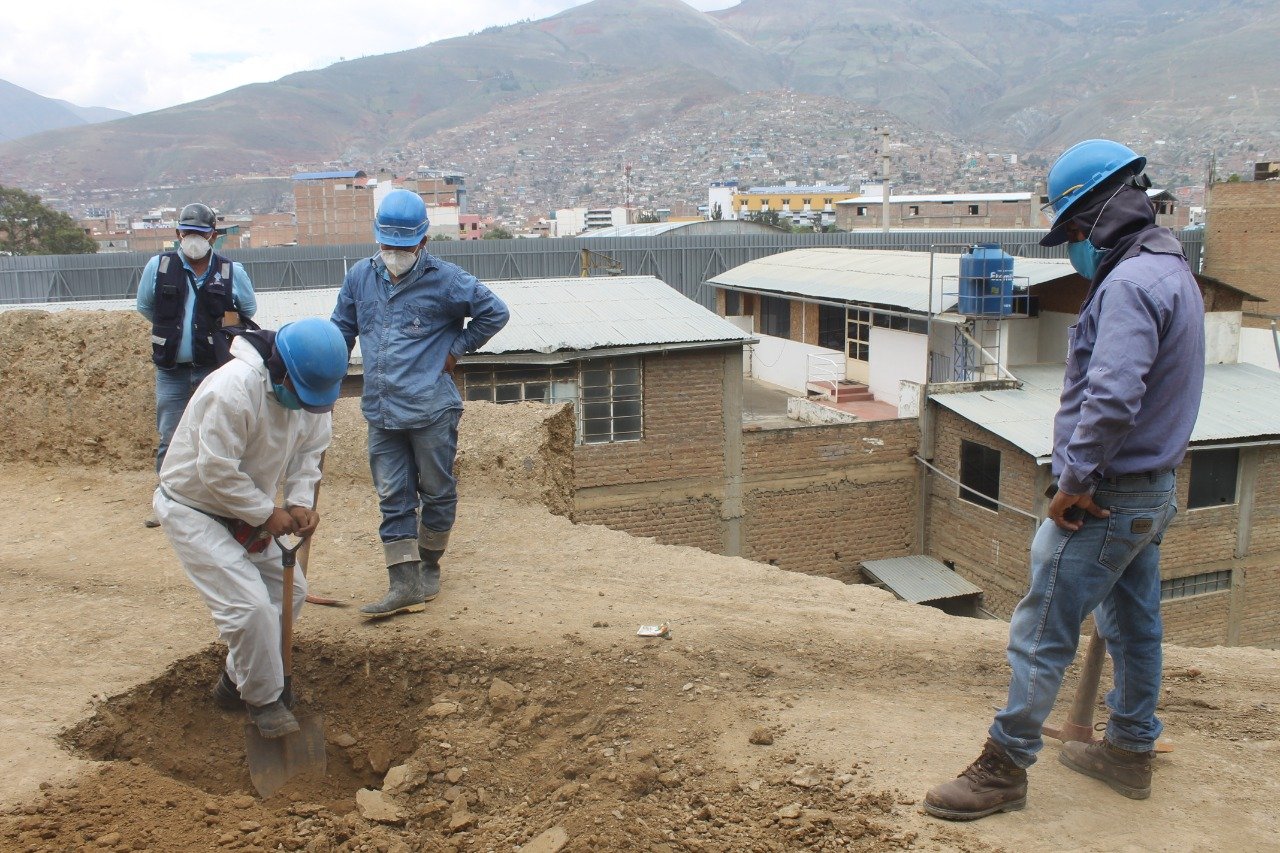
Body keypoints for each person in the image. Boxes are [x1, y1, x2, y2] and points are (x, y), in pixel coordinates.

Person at [924, 139, 1206, 819]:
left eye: (1077, 230)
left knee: (1044, 621)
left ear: (1105, 212)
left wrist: (1074, 480)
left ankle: (1003, 766)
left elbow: (1110, 397)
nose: (1075, 244)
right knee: (1135, 622)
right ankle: (1130, 748)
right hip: (1153, 488)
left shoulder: (1133, 284)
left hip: (1106, 494)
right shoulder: (1173, 274)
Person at [152, 318, 348, 738]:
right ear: (280, 369)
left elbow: (310, 452)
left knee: (288, 595)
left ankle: (234, 684)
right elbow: (216, 471)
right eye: (302, 393)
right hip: (195, 507)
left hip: (247, 509)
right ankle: (264, 703)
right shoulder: (232, 389)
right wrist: (266, 513)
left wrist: (298, 501)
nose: (309, 404)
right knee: (249, 608)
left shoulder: (313, 396)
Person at [331, 189, 509, 618]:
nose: (395, 252)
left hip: (431, 408)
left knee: (436, 489)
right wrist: (321, 372)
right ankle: (403, 582)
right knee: (393, 494)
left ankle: (429, 564)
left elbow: (495, 313)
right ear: (378, 239)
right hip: (382, 409)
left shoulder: (447, 280)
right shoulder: (359, 277)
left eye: (403, 245)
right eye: (388, 244)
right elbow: (341, 329)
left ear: (423, 242)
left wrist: (456, 349)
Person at [137, 202, 257, 527]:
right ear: (177, 233)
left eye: (200, 233)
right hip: (171, 371)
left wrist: (219, 332)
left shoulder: (231, 272)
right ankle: (166, 501)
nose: (193, 238)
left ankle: (213, 502)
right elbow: (145, 305)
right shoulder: (159, 267)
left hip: (213, 370)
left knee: (215, 434)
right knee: (170, 435)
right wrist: (175, 331)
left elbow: (247, 308)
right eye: (187, 232)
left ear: (213, 236)